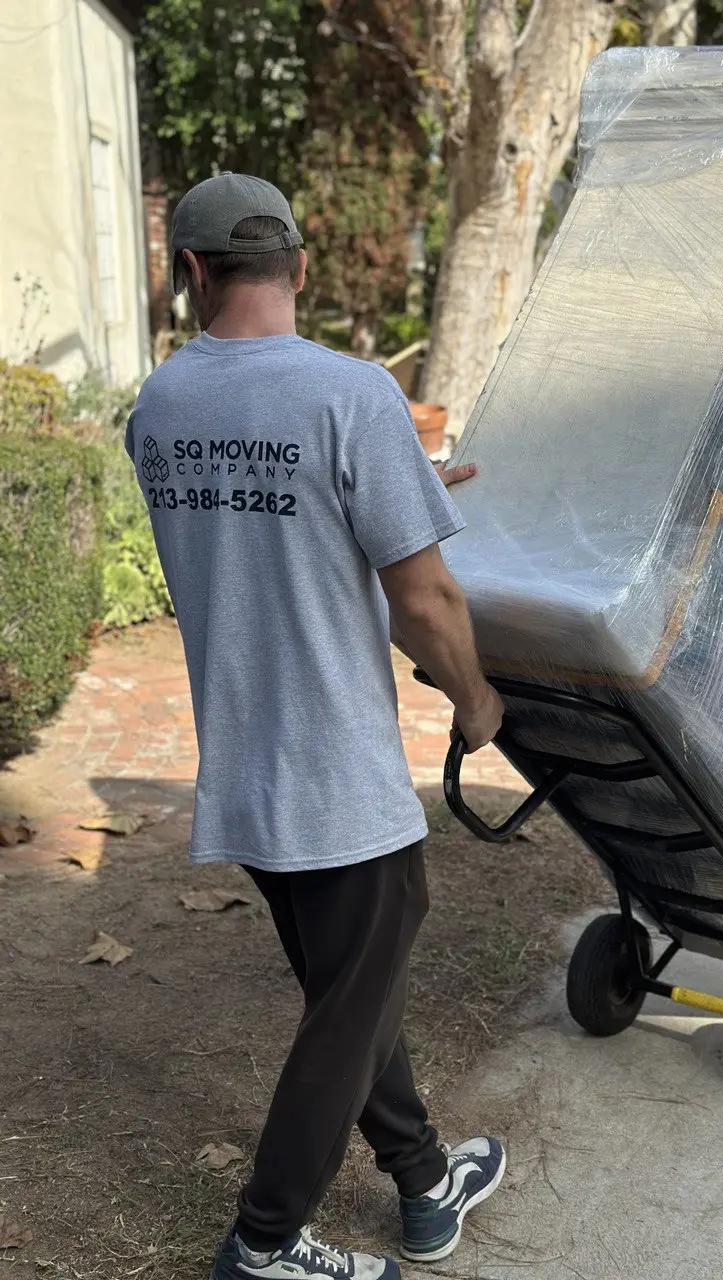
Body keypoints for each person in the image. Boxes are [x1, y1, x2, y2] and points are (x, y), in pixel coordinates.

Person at [125, 173, 506, 1280]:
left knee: (354, 987)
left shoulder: (159, 404)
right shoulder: (351, 395)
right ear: (300, 266)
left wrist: (405, 478)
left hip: (245, 768)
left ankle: (428, 1181)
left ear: (191, 270)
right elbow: (425, 601)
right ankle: (265, 1237)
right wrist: (477, 704)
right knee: (351, 1003)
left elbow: (259, 505)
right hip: (339, 771)